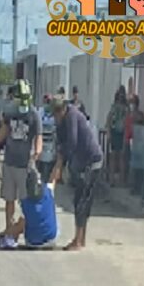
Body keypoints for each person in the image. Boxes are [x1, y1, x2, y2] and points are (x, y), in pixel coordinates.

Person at [0, 80, 42, 246]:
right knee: (9, 199)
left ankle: (20, 230)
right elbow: (5, 130)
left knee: (26, 201)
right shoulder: (10, 111)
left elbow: (38, 135)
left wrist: (37, 152)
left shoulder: (33, 114)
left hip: (24, 165)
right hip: (9, 162)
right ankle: (9, 229)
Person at [50, 97, 103, 251]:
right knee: (80, 200)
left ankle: (79, 240)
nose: (56, 117)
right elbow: (61, 144)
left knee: (81, 200)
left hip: (91, 161)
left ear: (63, 109)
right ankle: (81, 239)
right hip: (82, 162)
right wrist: (58, 165)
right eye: (54, 114)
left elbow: (72, 142)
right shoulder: (61, 122)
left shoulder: (72, 116)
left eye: (58, 113)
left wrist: (61, 164)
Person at [0, 181, 58, 249]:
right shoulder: (49, 190)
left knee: (25, 223)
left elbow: (20, 227)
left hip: (32, 242)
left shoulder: (26, 203)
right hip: (50, 239)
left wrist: (4, 234)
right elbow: (54, 179)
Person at [106, 86, 129, 186]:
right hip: (115, 131)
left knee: (121, 157)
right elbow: (109, 120)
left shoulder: (126, 108)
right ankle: (112, 180)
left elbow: (127, 122)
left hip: (122, 133)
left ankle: (121, 180)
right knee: (114, 156)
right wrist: (109, 133)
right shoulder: (114, 107)